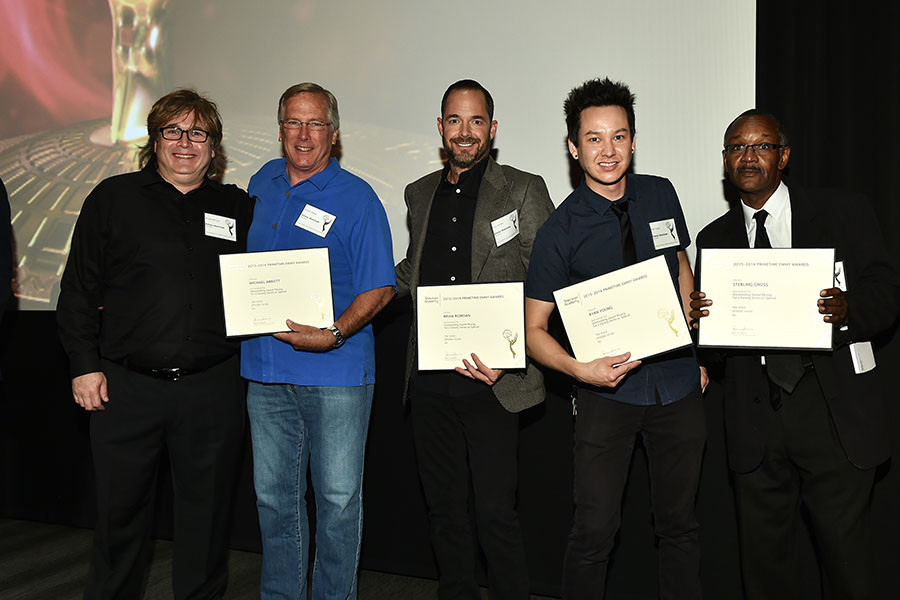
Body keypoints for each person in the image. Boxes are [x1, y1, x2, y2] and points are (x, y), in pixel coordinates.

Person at [690, 110, 900, 600]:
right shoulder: (712, 240)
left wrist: (848, 311)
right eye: (737, 148)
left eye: (760, 146)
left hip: (832, 413)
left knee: (848, 567)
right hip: (756, 420)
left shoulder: (843, 212)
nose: (748, 157)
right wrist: (704, 328)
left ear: (783, 156)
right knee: (765, 573)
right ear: (725, 161)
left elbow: (887, 291)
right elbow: (720, 353)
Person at [57, 89, 252, 599]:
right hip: (125, 390)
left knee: (206, 527)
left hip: (211, 391)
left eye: (198, 133)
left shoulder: (237, 207)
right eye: (173, 131)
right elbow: (78, 289)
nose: (185, 143)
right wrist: (83, 364)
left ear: (214, 146)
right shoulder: (113, 199)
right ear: (155, 139)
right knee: (119, 524)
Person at [524, 77, 707, 600]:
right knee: (594, 533)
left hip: (676, 387)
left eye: (619, 136)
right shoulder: (559, 232)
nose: (609, 151)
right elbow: (534, 332)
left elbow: (679, 267)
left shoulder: (661, 193)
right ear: (573, 147)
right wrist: (581, 372)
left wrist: (690, 342)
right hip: (607, 397)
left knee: (680, 528)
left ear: (633, 140)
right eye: (595, 139)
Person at [394, 79, 554, 600]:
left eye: (477, 121)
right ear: (441, 128)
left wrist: (514, 353)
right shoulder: (418, 193)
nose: (466, 132)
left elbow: (547, 277)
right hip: (430, 381)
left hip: (493, 379)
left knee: (495, 515)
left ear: (493, 128)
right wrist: (346, 288)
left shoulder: (524, 188)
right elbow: (408, 271)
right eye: (455, 121)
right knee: (444, 513)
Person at [241, 82, 395, 600]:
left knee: (336, 502)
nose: (303, 135)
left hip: (337, 376)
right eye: (293, 122)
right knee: (273, 501)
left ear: (334, 132)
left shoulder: (359, 198)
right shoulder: (259, 184)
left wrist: (333, 333)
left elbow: (379, 287)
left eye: (315, 124)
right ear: (280, 127)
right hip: (264, 373)